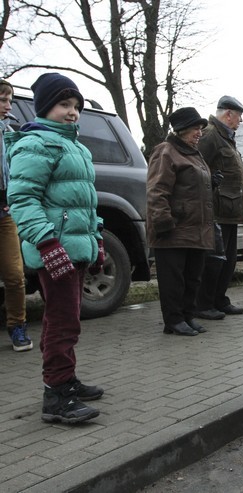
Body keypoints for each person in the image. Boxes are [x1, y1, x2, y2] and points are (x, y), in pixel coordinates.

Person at [6, 73, 104, 423]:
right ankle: (56, 396)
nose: (72, 112)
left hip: (74, 247)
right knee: (61, 323)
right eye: (64, 104)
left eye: (76, 106)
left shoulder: (74, 146)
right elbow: (22, 198)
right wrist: (47, 243)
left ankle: (67, 380)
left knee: (68, 320)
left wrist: (98, 239)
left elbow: (85, 204)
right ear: (46, 107)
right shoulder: (36, 144)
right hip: (55, 251)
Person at [147, 107, 214, 336]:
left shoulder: (193, 153)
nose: (199, 133)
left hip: (194, 230)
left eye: (200, 128)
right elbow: (157, 190)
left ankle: (187, 316)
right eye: (196, 128)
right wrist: (163, 222)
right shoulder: (165, 152)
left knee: (192, 278)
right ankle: (173, 320)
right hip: (174, 230)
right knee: (173, 281)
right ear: (182, 129)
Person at [194, 95, 243, 320]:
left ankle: (219, 299)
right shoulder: (210, 135)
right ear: (228, 114)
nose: (241, 121)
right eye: (239, 116)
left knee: (228, 261)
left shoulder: (226, 137)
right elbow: (198, 168)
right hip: (216, 211)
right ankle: (203, 303)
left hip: (230, 211)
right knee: (214, 261)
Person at [0, 79, 32, 352]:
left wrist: (13, 199)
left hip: (5, 215)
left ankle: (17, 326)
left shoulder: (10, 132)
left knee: (14, 275)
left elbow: (18, 173)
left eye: (9, 100)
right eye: (2, 99)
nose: (8, 105)